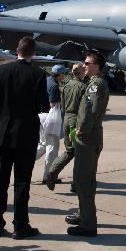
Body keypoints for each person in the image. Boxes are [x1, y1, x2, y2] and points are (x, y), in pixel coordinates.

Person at [0, 36, 49, 239]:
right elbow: (43, 106)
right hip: (25, 134)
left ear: (16, 50)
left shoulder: (0, 71)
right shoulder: (38, 74)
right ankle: (20, 225)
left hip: (2, 134)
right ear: (34, 52)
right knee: (22, 182)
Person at [65, 52, 110, 238]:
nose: (84, 66)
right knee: (83, 178)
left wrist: (81, 128)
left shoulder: (96, 84)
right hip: (91, 135)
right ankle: (84, 214)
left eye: (88, 63)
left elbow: (89, 109)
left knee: (84, 180)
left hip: (88, 136)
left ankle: (88, 224)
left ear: (97, 67)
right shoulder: (94, 83)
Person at [46, 62, 87, 191]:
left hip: (67, 119)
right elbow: (84, 108)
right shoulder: (83, 87)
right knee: (80, 153)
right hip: (76, 121)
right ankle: (76, 184)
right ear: (81, 72)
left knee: (70, 151)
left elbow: (62, 105)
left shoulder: (66, 86)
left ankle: (52, 171)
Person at [35, 65, 66, 183]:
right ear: (60, 74)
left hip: (41, 116)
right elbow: (53, 104)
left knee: (43, 144)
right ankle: (48, 176)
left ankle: (24, 161)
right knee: (52, 147)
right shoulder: (54, 85)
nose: (64, 76)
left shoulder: (47, 81)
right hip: (50, 117)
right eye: (63, 74)